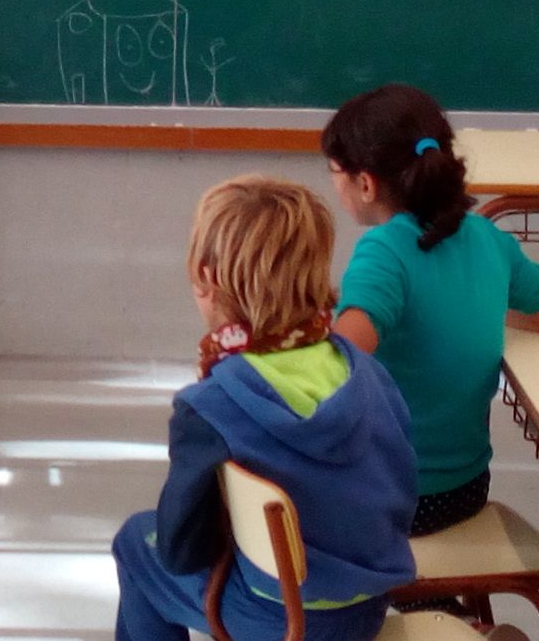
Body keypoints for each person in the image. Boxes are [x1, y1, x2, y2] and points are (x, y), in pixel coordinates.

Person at [112, 177, 416, 641]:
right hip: (367, 609)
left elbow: (180, 552)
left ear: (208, 278)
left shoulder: (210, 406)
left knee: (136, 543)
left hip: (269, 619)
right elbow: (403, 493)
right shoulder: (369, 375)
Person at [324, 83, 539, 536]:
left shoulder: (383, 251)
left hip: (392, 497)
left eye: (333, 172)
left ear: (365, 184)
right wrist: (476, 304)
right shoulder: (488, 239)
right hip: (466, 491)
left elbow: (337, 366)